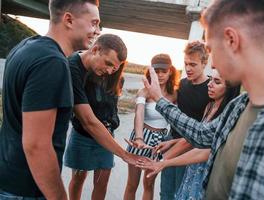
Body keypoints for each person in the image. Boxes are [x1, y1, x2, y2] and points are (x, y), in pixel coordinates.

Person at [142, 0, 264, 199]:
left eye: (211, 50)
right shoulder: (238, 107)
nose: (213, 64)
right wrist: (159, 99)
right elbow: (199, 135)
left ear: (231, 40)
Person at [0, 0, 100, 199]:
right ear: (69, 20)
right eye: (94, 23)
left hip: (8, 179)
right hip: (26, 190)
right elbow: (37, 146)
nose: (97, 31)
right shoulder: (51, 62)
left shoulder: (26, 46)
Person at [138, 69, 240, 200]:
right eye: (210, 79)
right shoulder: (210, 106)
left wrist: (163, 162)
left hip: (207, 172)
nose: (210, 84)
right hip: (193, 169)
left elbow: (205, 151)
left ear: (229, 89)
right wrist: (172, 142)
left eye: (217, 82)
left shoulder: (227, 116)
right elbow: (198, 137)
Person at [63, 34, 131, 200]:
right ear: (95, 49)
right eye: (108, 64)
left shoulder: (114, 76)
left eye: (114, 68)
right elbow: (88, 121)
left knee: (102, 182)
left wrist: (113, 122)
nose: (109, 71)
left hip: (106, 136)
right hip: (83, 135)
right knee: (78, 178)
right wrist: (124, 154)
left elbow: (113, 107)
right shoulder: (76, 69)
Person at [160, 40, 211, 200]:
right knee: (165, 193)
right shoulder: (182, 84)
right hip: (171, 142)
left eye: (193, 64)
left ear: (204, 63)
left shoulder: (211, 89)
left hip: (191, 148)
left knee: (180, 195)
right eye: (186, 63)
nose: (188, 68)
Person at [123, 54, 178, 200]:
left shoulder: (175, 95)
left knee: (149, 184)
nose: (160, 75)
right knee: (132, 184)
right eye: (157, 71)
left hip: (160, 141)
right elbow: (139, 115)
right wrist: (139, 138)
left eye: (163, 71)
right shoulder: (144, 92)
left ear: (170, 71)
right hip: (141, 137)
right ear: (151, 72)